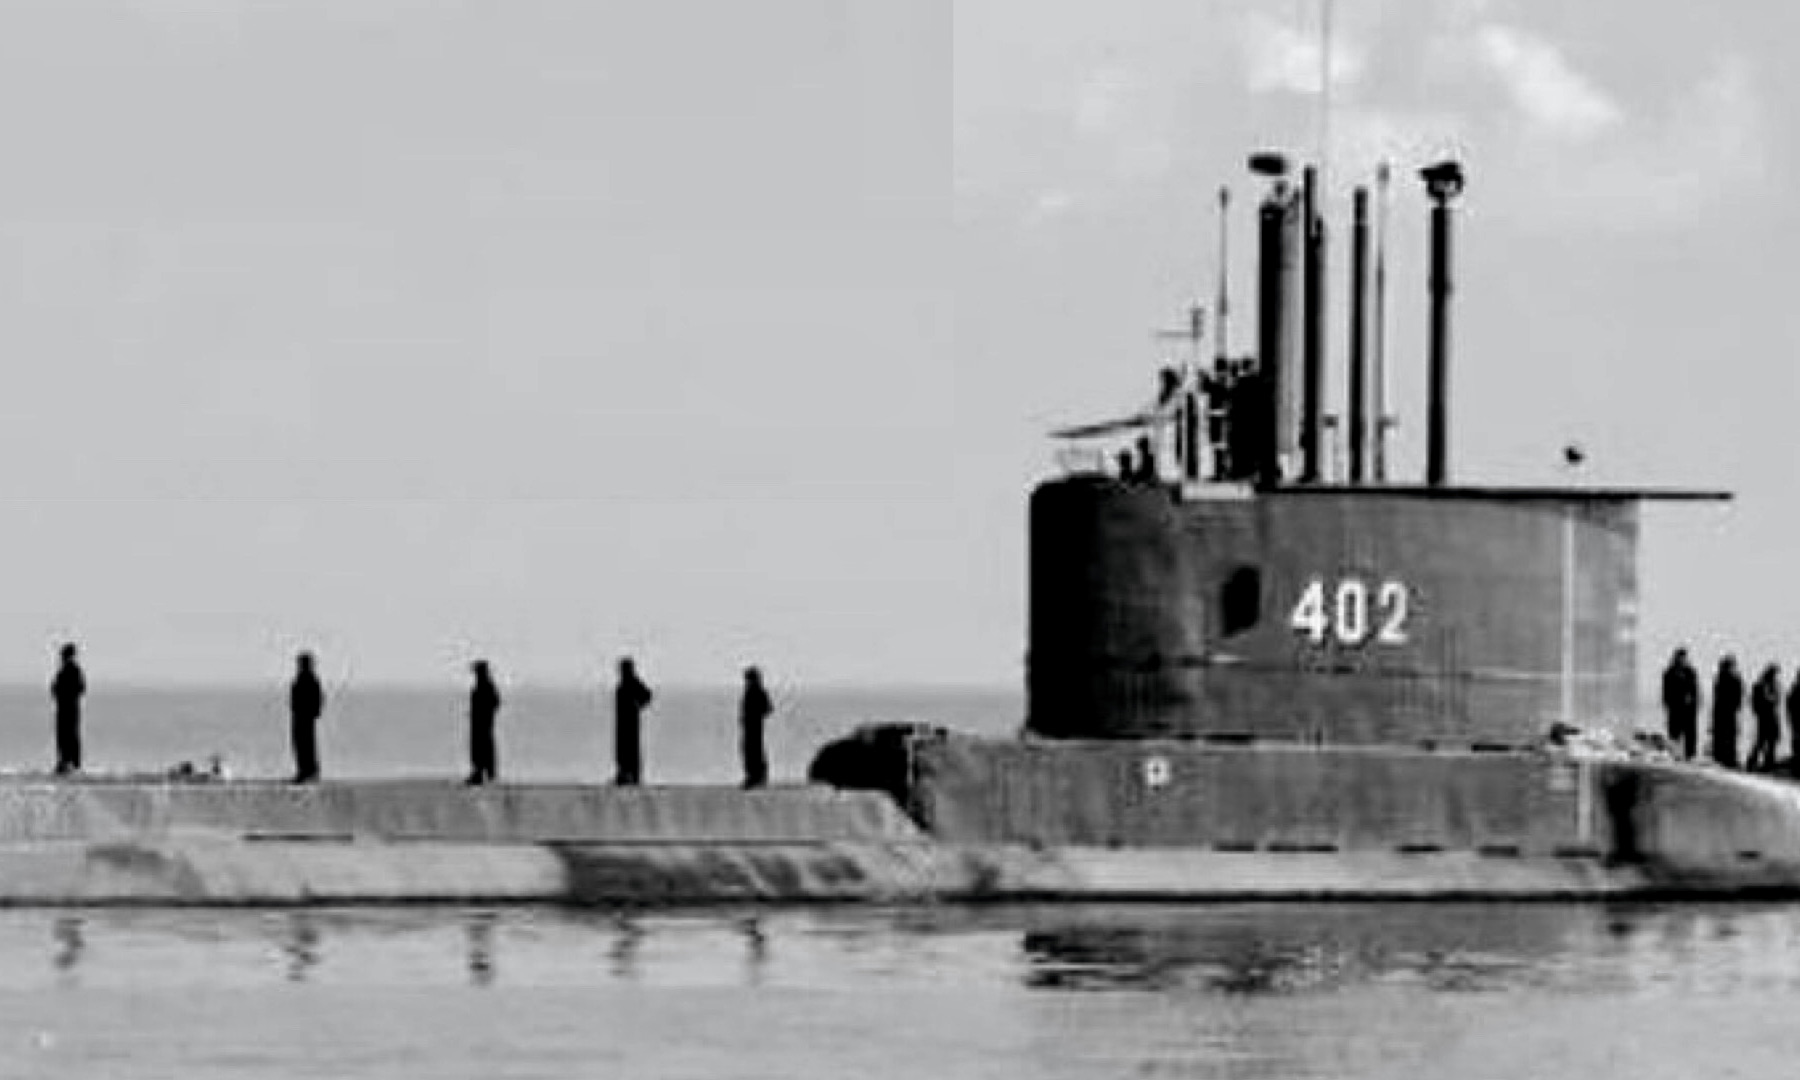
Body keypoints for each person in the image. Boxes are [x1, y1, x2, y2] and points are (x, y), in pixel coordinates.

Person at [614, 657, 653, 786]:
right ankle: (623, 774)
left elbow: (647, 695)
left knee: (631, 749)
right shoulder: (623, 684)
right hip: (622, 723)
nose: (621, 671)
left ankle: (633, 776)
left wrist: (638, 705)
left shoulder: (633, 683)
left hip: (631, 723)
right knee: (622, 749)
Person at [288, 652, 324, 783]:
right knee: (300, 745)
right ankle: (304, 770)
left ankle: (309, 771)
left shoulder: (310, 680)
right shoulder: (302, 679)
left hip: (305, 717)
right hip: (299, 716)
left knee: (306, 745)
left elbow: (318, 698)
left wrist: (315, 712)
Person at [50, 643, 85, 775]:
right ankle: (64, 762)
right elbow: (55, 688)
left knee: (70, 735)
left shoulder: (74, 670)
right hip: (63, 707)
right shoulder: (63, 671)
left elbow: (80, 688)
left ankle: (72, 764)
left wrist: (66, 694)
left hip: (70, 708)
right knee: (63, 735)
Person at [1660, 647, 1700, 760]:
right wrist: (1669, 706)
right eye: (1680, 658)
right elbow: (1666, 692)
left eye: (1684, 658)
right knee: (1674, 737)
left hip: (1689, 711)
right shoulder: (1669, 673)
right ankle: (1674, 757)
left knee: (1690, 737)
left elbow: (1695, 691)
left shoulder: (1690, 672)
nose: (1682, 660)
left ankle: (1690, 757)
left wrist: (1693, 703)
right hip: (1675, 710)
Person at [467, 660, 501, 785]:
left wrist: (486, 713)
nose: (475, 674)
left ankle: (485, 774)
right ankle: (479, 773)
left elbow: (495, 702)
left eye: (477, 671)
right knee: (478, 748)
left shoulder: (487, 685)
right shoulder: (481, 685)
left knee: (483, 747)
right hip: (478, 722)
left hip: (483, 722)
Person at [739, 667, 773, 789]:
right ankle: (754, 776)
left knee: (754, 751)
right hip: (749, 726)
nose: (746, 681)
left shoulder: (758, 692)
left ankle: (756, 777)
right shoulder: (750, 691)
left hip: (755, 726)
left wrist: (756, 715)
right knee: (749, 751)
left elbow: (768, 709)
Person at [1748, 663, 1783, 772]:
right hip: (1766, 716)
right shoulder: (1763, 685)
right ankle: (1759, 762)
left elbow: (1775, 699)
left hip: (1768, 715)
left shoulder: (1767, 684)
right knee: (1763, 740)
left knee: (1769, 740)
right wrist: (1773, 698)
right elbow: (1770, 699)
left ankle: (1766, 762)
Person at [1711, 656, 1744, 769]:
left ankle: (1728, 758)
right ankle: (1725, 758)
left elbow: (1738, 695)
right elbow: (1721, 695)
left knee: (1729, 736)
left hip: (1728, 711)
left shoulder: (1729, 678)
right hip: (1724, 711)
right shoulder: (1724, 678)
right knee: (1724, 736)